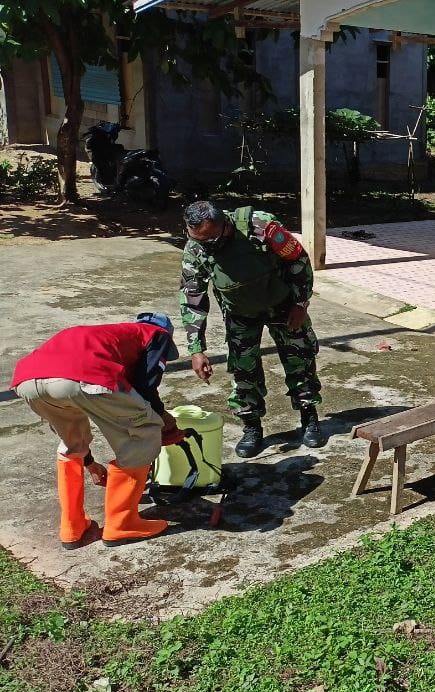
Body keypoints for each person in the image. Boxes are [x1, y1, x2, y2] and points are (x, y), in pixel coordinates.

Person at [11, 313, 180, 548]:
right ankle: (122, 524)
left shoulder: (106, 337)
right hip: (80, 376)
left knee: (72, 443)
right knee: (144, 431)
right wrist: (162, 417)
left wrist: (90, 463)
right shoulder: (157, 334)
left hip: (27, 381)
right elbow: (145, 387)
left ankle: (72, 527)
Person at [179, 201, 324, 458]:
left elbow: (298, 260)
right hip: (240, 313)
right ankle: (252, 428)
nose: (203, 245)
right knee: (243, 370)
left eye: (209, 239)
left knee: (300, 359)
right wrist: (196, 349)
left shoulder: (260, 226)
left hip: (283, 305)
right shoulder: (196, 247)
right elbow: (192, 296)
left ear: (224, 226)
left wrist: (301, 303)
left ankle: (309, 418)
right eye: (196, 238)